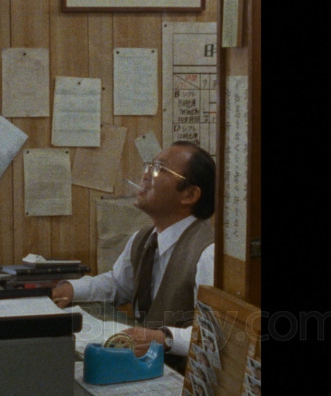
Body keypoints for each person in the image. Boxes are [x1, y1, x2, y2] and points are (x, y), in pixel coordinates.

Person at [52, 140, 215, 373]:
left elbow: (213, 336)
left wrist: (164, 338)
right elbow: (118, 284)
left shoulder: (208, 253)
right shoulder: (143, 238)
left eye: (159, 169)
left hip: (181, 377)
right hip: (145, 367)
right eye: (149, 166)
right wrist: (71, 289)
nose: (145, 175)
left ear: (189, 194)